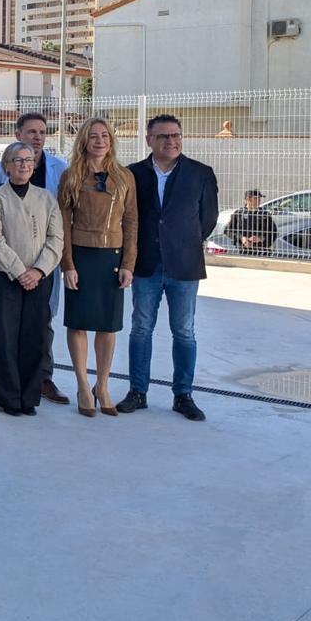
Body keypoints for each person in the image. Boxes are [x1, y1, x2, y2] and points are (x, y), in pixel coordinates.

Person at [116, 114, 219, 421]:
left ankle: (183, 395)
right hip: (145, 264)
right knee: (141, 328)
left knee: (184, 331)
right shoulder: (132, 174)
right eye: (163, 136)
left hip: (184, 266)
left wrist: (181, 242)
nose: (171, 141)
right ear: (149, 140)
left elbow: (208, 219)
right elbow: (126, 217)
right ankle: (137, 391)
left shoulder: (200, 173)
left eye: (175, 135)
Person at [0, 112, 70, 405]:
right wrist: (20, 271)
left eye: (28, 161)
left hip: (39, 277)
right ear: (6, 167)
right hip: (6, 275)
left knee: (35, 335)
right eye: (18, 161)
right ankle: (5, 394)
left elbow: (56, 238)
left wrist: (39, 270)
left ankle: (30, 394)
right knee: (5, 335)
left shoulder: (46, 197)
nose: (24, 165)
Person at [58, 118, 137, 419]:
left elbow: (131, 223)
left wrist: (128, 264)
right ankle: (81, 384)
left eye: (105, 136)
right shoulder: (71, 176)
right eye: (93, 136)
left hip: (111, 259)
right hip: (80, 255)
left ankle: (102, 386)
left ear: (111, 140)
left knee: (108, 324)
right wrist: (68, 264)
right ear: (83, 141)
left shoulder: (124, 177)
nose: (100, 141)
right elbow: (63, 224)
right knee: (77, 323)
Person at [225, 189, 277, 255]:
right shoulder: (238, 214)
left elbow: (273, 232)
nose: (259, 200)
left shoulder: (265, 214)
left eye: (259, 198)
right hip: (242, 250)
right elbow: (228, 231)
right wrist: (241, 238)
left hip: (261, 251)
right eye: (256, 198)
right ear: (248, 199)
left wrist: (261, 238)